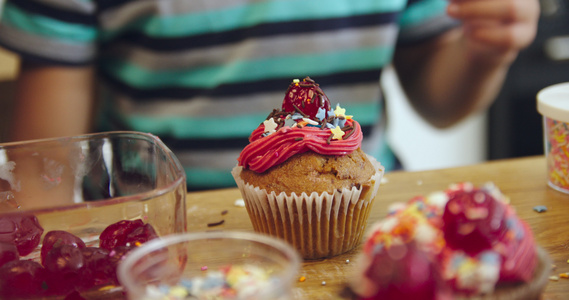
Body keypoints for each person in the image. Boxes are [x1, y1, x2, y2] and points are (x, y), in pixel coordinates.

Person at [0, 0, 539, 190]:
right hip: (157, 234)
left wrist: (485, 46)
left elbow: (439, 103)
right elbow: (43, 165)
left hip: (366, 205)